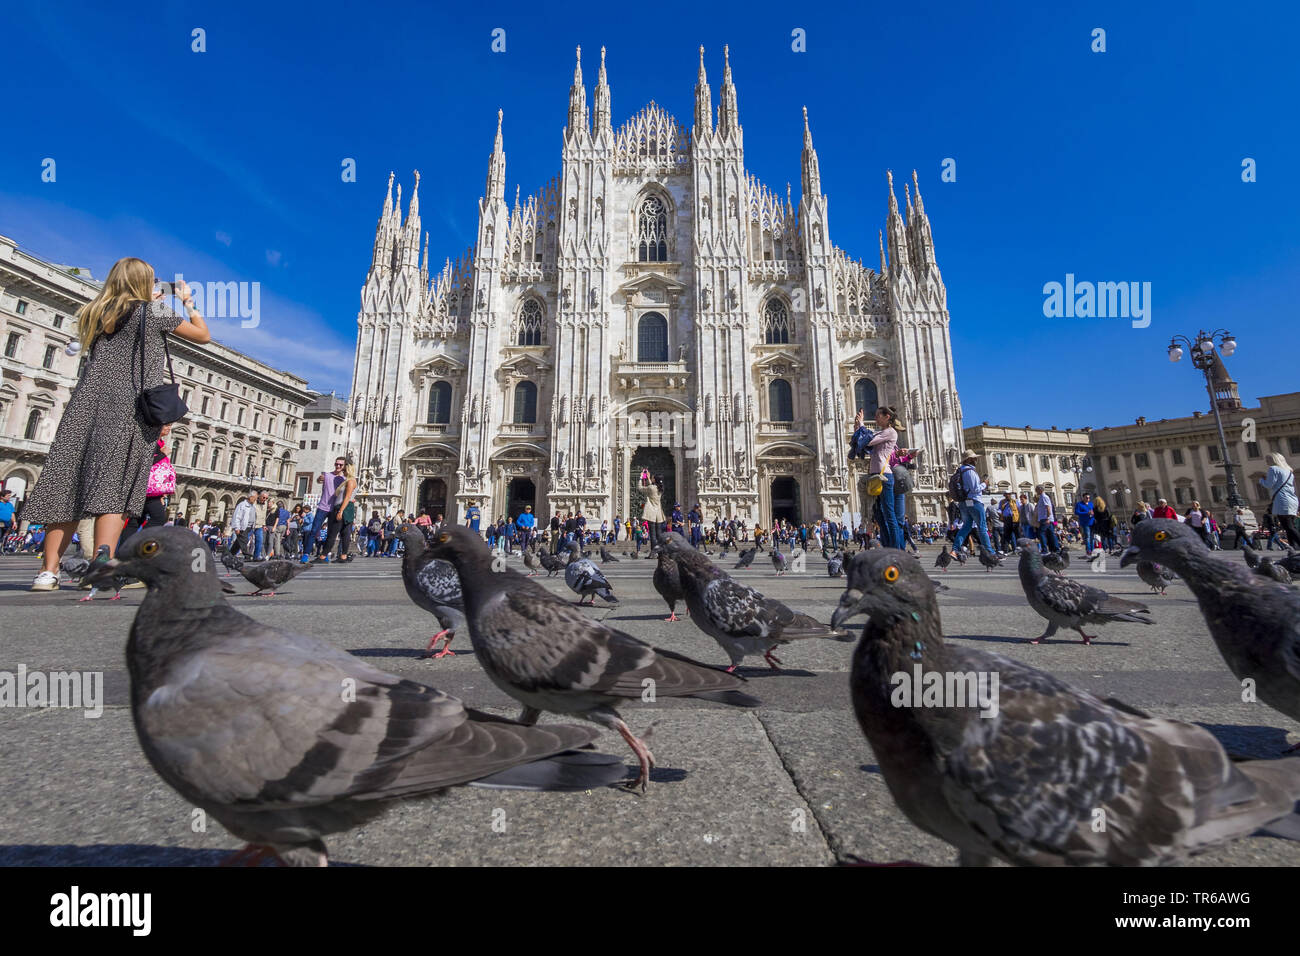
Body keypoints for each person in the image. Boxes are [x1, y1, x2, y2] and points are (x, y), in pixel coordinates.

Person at [23, 258, 210, 590]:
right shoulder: (152, 312)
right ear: (143, 283)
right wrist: (188, 303)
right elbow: (202, 335)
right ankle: (102, 568)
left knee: (67, 486)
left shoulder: (95, 310)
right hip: (129, 409)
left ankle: (47, 572)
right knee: (115, 489)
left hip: (84, 405)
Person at [120, 422, 176, 545]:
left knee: (135, 520)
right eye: (166, 425)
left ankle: (126, 549)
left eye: (170, 425)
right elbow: (145, 463)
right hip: (145, 488)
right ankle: (137, 545)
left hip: (150, 489)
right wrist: (163, 454)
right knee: (158, 517)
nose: (169, 428)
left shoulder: (159, 442)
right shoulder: (151, 443)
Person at [864, 406, 903, 548]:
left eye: (877, 415)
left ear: (887, 417)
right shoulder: (882, 432)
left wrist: (861, 426)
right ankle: (887, 545)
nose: (875, 418)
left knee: (889, 514)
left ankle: (896, 548)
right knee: (879, 514)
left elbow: (867, 441)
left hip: (884, 476)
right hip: (876, 475)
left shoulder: (890, 432)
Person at [949, 449, 995, 556]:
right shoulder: (970, 471)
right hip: (974, 502)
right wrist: (985, 484)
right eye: (974, 458)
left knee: (966, 527)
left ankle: (954, 550)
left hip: (963, 503)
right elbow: (975, 489)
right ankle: (990, 552)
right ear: (969, 459)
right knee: (982, 527)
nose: (976, 460)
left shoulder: (960, 470)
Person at [305, 457, 346, 563]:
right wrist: (319, 479)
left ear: (344, 467)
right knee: (314, 531)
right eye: (336, 464)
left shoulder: (345, 480)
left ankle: (325, 554)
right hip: (323, 507)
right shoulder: (327, 475)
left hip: (335, 509)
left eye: (340, 465)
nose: (338, 466)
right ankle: (305, 554)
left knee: (330, 534)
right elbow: (319, 480)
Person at [1259, 452, 1300, 548]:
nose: (1266, 461)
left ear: (1274, 460)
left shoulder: (1273, 469)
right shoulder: (1289, 471)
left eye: (1268, 459)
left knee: (1288, 526)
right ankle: (1292, 548)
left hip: (1282, 500)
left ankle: (1294, 546)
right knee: (1290, 526)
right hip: (1292, 500)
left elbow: (1269, 485)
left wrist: (1261, 480)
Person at [321, 460, 358, 562]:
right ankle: (343, 557)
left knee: (333, 533)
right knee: (345, 533)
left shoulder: (350, 481)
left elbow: (347, 497)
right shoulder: (348, 481)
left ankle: (323, 556)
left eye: (344, 470)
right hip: (347, 508)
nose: (343, 472)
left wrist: (340, 511)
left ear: (349, 470)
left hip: (343, 508)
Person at [639, 469, 667, 549]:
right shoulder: (660, 488)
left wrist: (641, 478)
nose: (651, 478)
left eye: (652, 477)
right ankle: (660, 550)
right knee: (659, 533)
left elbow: (640, 488)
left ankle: (654, 552)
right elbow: (653, 487)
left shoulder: (651, 488)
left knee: (652, 534)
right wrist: (648, 478)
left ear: (654, 479)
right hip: (658, 513)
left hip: (651, 513)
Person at [1035, 485, 1060, 553]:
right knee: (1051, 534)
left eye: (1036, 490)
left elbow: (1048, 507)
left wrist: (1048, 518)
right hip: (1045, 519)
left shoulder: (1044, 497)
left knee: (1041, 533)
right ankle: (1056, 549)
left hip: (1045, 519)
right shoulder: (1042, 497)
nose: (1035, 491)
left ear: (1040, 489)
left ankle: (1045, 549)